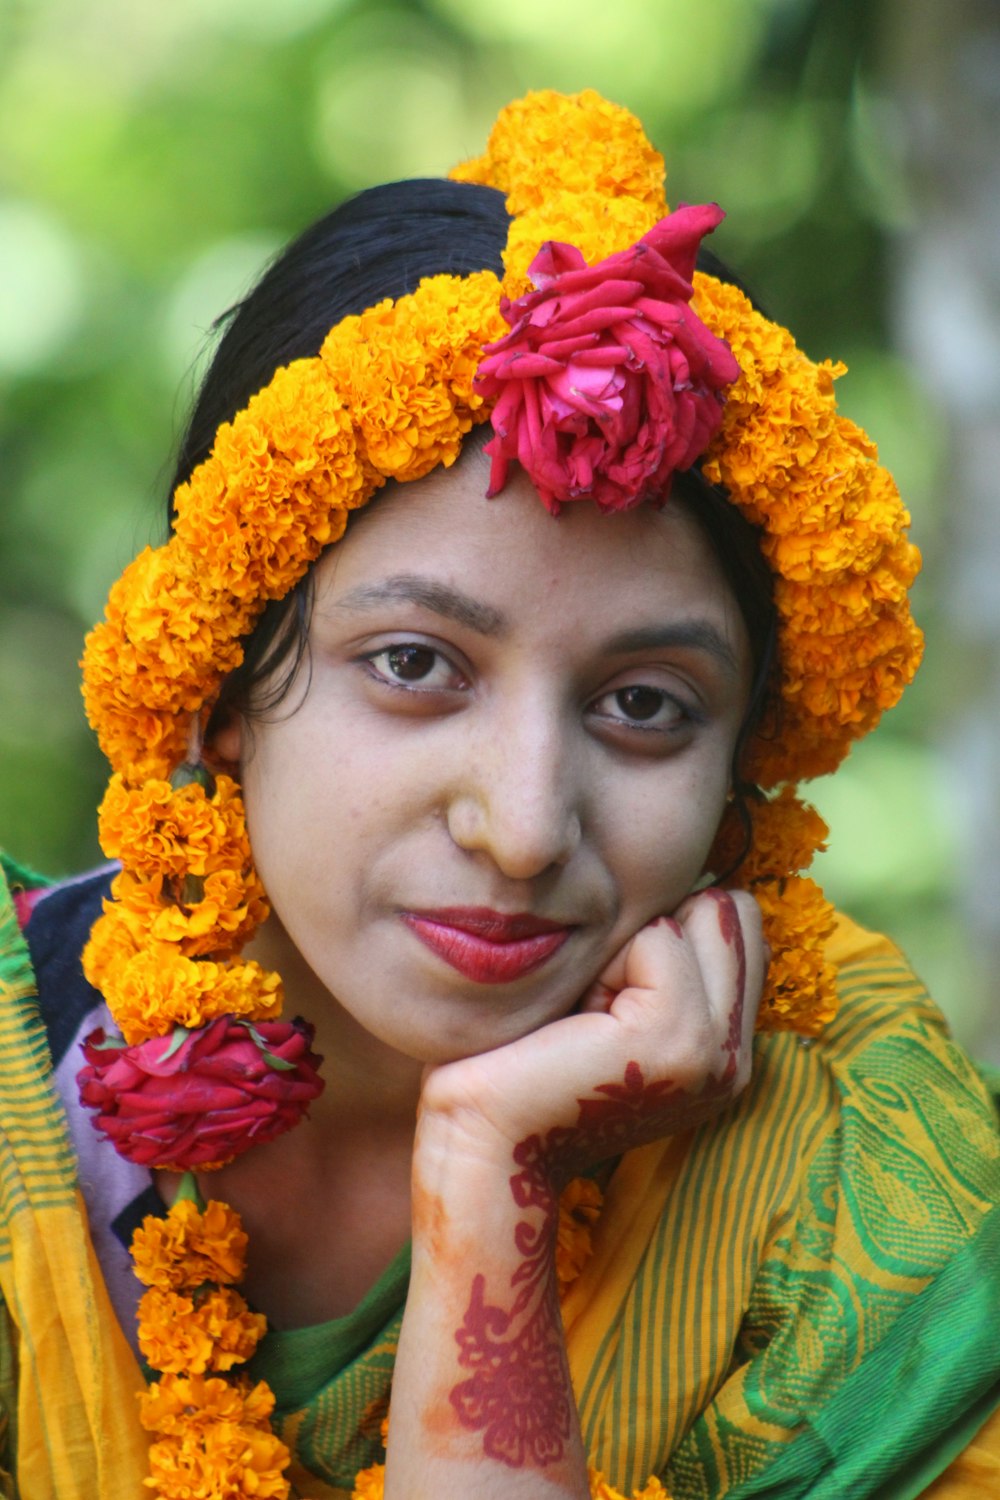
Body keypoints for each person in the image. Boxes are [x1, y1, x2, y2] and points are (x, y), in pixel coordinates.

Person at [1, 88, 998, 1500]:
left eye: (644, 705)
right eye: (416, 665)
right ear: (223, 684)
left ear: (742, 762)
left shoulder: (862, 1179)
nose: (524, 827)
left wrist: (489, 1188)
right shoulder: (14, 1099)